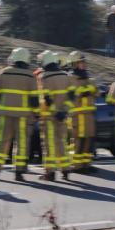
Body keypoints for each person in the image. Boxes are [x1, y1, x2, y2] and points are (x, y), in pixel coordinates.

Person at [0, 48, 39, 181]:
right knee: (22, 144)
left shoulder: (3, 72)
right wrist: (36, 113)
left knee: (1, 141)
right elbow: (34, 98)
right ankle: (19, 172)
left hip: (5, 114)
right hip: (23, 116)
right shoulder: (30, 75)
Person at [37, 50, 74, 181]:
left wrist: (55, 112)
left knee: (50, 145)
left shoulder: (43, 76)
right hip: (63, 117)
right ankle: (66, 170)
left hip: (49, 117)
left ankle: (50, 172)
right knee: (61, 143)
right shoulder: (66, 76)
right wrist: (64, 111)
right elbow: (71, 96)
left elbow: (46, 99)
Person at [67, 51, 97, 174]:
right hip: (77, 115)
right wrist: (91, 87)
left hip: (88, 113)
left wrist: (91, 88)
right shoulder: (70, 77)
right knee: (78, 139)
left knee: (88, 139)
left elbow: (97, 92)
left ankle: (86, 163)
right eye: (80, 63)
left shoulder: (86, 77)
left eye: (83, 62)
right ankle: (76, 165)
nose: (82, 65)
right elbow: (78, 92)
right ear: (74, 64)